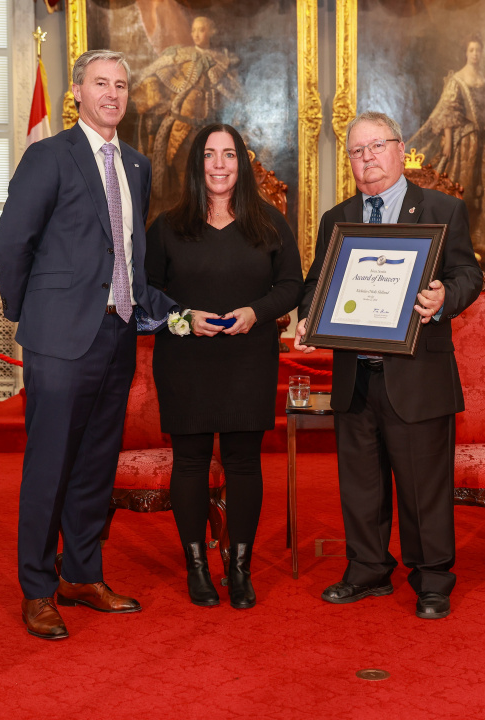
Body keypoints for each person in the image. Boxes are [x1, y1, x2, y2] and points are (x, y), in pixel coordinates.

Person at [0, 50, 179, 641]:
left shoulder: (137, 164)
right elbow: (10, 245)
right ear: (77, 92)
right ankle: (37, 589)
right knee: (49, 466)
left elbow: (128, 255)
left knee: (97, 466)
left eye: (121, 86)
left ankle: (81, 574)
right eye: (101, 83)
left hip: (117, 332)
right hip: (59, 338)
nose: (113, 94)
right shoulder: (48, 156)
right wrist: (37, 318)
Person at [295, 111, 482, 619]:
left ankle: (432, 578)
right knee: (361, 482)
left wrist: (445, 295)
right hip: (357, 375)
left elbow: (469, 273)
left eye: (376, 146)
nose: (367, 158)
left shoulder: (442, 209)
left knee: (424, 485)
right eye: (357, 151)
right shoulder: (338, 219)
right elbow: (315, 284)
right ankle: (368, 569)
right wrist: (311, 312)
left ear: (401, 151)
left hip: (418, 376)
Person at [146, 124, 303, 609]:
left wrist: (257, 312)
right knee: (190, 463)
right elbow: (146, 297)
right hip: (184, 362)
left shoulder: (270, 223)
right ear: (197, 165)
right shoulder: (167, 227)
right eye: (210, 155)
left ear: (241, 163)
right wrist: (183, 318)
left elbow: (291, 286)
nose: (219, 164)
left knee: (243, 463)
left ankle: (240, 568)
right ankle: (197, 568)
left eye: (229, 155)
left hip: (247, 359)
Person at [406, 38, 485, 254]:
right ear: (466, 52)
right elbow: (449, 109)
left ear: (482, 53)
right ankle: (453, 242)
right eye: (471, 50)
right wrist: (447, 138)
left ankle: (481, 242)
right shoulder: (457, 80)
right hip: (462, 143)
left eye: (478, 50)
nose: (475, 54)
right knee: (460, 187)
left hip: (481, 145)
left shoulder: (484, 81)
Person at [132, 16, 242, 224]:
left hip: (211, 134)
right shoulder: (180, 56)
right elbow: (149, 78)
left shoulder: (222, 61)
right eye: (194, 30)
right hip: (181, 128)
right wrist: (161, 104)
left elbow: (235, 95)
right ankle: (186, 219)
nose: (197, 34)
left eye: (202, 30)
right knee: (182, 176)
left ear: (212, 32)